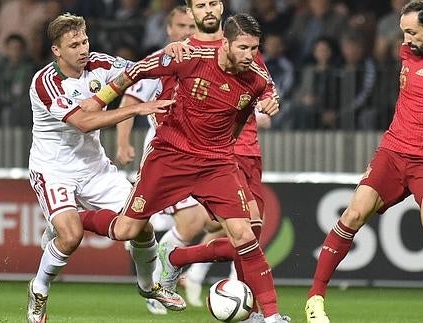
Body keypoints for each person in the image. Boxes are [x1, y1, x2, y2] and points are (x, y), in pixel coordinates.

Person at [79, 13, 289, 323]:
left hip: (216, 163)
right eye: (243, 48)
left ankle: (271, 317)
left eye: (255, 48)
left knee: (245, 235)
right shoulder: (190, 58)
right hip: (170, 157)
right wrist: (99, 100)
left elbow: (267, 91)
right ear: (226, 43)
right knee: (127, 229)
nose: (250, 56)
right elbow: (137, 72)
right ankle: (72, 219)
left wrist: (274, 99)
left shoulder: (255, 76)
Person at [304, 1, 423, 323]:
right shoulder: (408, 52)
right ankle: (315, 299)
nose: (405, 40)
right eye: (403, 32)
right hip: (393, 151)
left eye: (411, 32)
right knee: (353, 213)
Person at [26, 13, 181, 323]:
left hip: (96, 168)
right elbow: (83, 122)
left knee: (141, 225)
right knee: (70, 238)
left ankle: (148, 286)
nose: (83, 49)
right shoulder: (47, 82)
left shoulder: (99, 63)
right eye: (74, 45)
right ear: (57, 50)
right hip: (54, 170)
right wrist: (138, 108)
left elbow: (139, 71)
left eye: (84, 41)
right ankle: (39, 289)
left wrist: (169, 54)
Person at [115, 5, 198, 315]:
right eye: (181, 25)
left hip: (202, 155)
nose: (188, 32)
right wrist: (123, 142)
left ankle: (162, 264)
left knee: (210, 222)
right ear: (168, 29)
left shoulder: (209, 58)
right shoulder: (162, 60)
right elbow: (131, 99)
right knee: (183, 224)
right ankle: (156, 283)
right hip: (169, 154)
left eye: (192, 25)